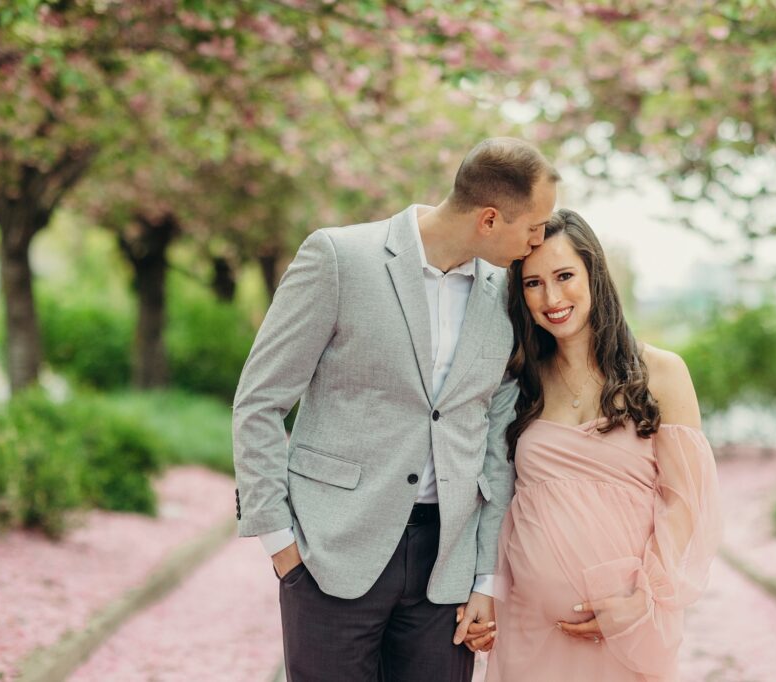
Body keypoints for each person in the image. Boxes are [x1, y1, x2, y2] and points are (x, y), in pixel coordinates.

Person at [232, 138, 559, 681]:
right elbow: (259, 401)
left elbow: (495, 442)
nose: (539, 239)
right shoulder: (339, 258)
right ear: (489, 219)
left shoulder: (504, 295)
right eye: (533, 225)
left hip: (444, 569)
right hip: (329, 554)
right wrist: (280, 544)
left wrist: (484, 578)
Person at [483, 208, 722, 681]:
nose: (551, 297)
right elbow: (493, 494)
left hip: (627, 623)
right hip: (531, 625)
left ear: (594, 273)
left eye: (564, 275)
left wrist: (643, 596)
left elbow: (684, 501)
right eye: (533, 283)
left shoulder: (663, 372)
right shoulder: (519, 381)